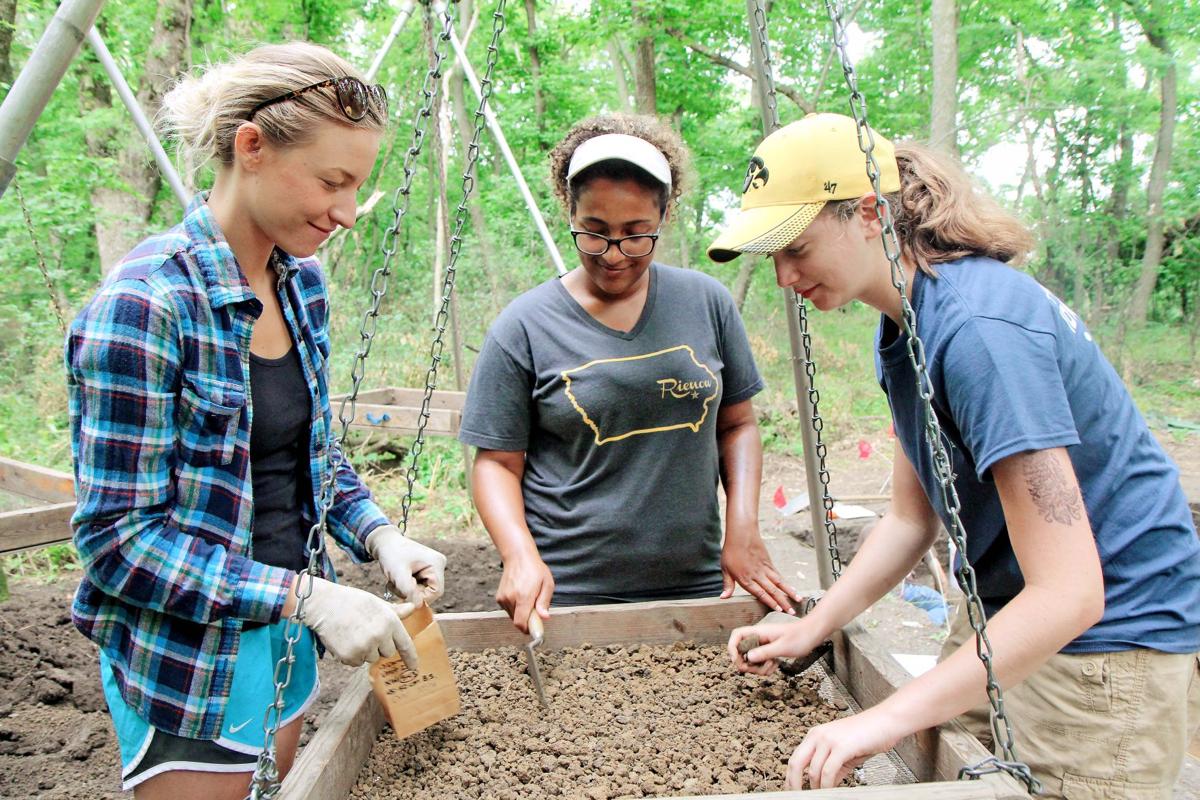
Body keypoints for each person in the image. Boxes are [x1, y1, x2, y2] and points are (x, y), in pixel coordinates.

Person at [714, 113, 1200, 798]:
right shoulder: (902, 330)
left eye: (797, 246)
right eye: (773, 258)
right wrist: (813, 624)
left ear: (868, 212)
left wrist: (876, 721)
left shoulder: (977, 332)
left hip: (1107, 635)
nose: (786, 276)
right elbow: (911, 521)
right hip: (1008, 603)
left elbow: (1072, 592)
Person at [66, 42, 446, 800]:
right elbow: (118, 542)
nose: (345, 212)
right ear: (253, 148)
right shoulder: (144, 308)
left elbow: (307, 451)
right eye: (332, 181)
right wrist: (310, 596)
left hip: (284, 641)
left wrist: (377, 533)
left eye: (356, 186)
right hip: (188, 662)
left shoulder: (299, 282)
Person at [458, 114, 800, 634]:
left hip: (699, 582)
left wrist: (744, 527)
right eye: (594, 232)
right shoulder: (524, 326)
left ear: (664, 217)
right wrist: (518, 555)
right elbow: (497, 463)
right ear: (569, 212)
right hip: (568, 593)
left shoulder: (706, 303)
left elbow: (737, 426)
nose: (614, 255)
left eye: (636, 234)